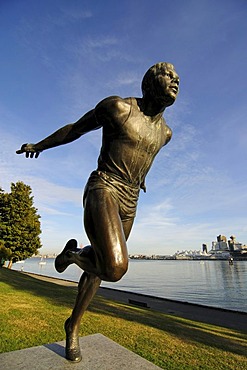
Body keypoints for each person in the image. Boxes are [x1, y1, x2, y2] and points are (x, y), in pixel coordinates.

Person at [16, 62, 179, 362]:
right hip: (103, 187)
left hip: (131, 200)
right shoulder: (118, 108)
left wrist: (141, 178)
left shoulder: (165, 134)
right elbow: (75, 130)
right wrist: (39, 145)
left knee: (99, 272)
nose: (176, 80)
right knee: (115, 267)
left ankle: (72, 324)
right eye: (168, 75)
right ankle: (73, 257)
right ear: (150, 83)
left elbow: (143, 151)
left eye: (177, 78)